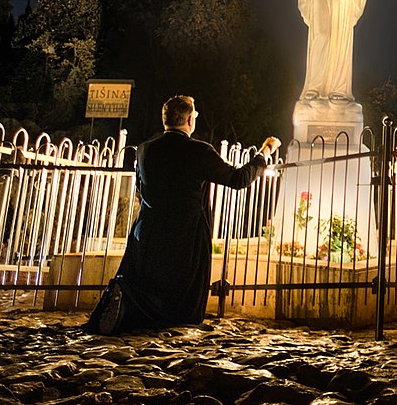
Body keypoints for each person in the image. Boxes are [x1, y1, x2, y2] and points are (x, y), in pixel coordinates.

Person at [87, 95, 279, 334]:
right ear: (189, 120)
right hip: (186, 234)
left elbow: (140, 188)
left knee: (146, 283)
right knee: (181, 291)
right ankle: (173, 320)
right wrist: (263, 153)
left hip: (149, 230)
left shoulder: (145, 150)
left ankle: (130, 311)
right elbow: (238, 179)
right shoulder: (199, 151)